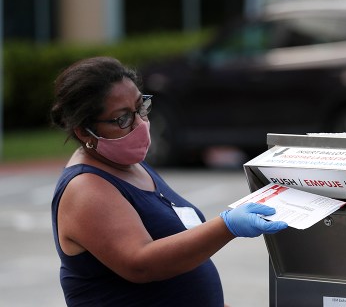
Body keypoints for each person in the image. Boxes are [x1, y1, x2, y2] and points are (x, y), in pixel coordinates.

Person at [50, 56, 288, 306]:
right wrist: (226, 227)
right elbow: (140, 264)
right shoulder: (85, 188)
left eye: (140, 108)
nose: (141, 124)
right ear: (84, 131)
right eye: (122, 119)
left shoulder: (131, 167)